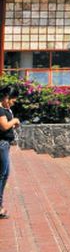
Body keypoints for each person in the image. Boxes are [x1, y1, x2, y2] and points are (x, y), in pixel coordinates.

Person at [0, 86, 19, 219]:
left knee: (4, 174)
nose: (13, 102)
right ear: (7, 97)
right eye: (12, 99)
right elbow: (4, 126)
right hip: (1, 144)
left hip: (5, 145)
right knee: (2, 175)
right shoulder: (0, 110)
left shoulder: (6, 109)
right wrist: (15, 120)